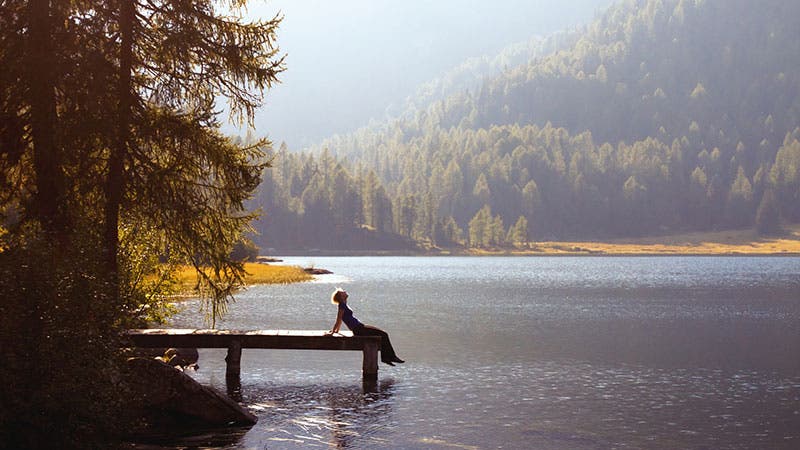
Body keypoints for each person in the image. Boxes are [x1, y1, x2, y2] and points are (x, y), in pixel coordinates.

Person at [325, 288, 404, 366]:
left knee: (383, 334)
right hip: (358, 329)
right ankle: (390, 357)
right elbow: (339, 319)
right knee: (384, 334)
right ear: (341, 296)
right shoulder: (342, 305)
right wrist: (333, 331)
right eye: (343, 292)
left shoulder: (344, 304)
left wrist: (336, 331)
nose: (345, 291)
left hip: (360, 327)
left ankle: (387, 358)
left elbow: (341, 319)